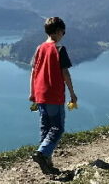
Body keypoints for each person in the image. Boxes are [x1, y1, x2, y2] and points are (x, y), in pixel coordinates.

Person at [29, 16, 78, 175]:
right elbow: (65, 73)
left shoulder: (39, 48)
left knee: (46, 128)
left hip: (40, 94)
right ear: (58, 32)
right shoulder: (59, 49)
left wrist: (32, 92)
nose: (63, 35)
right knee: (57, 128)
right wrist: (72, 93)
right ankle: (42, 153)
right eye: (63, 32)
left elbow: (33, 71)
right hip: (54, 95)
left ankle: (47, 163)